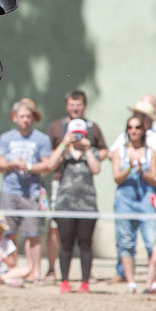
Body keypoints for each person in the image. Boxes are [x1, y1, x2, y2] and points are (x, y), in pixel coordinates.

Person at [44, 90, 108, 280]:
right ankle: (52, 269)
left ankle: (87, 277)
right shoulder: (56, 127)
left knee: (85, 239)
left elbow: (103, 152)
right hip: (61, 187)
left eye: (78, 104)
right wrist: (64, 144)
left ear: (84, 106)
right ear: (67, 106)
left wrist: (91, 151)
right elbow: (49, 161)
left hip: (86, 194)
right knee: (57, 230)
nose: (75, 108)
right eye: (72, 104)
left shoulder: (93, 127)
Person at [0, 98, 52, 284]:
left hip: (32, 192)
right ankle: (12, 271)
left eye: (28, 116)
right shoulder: (6, 138)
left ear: (32, 118)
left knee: (33, 235)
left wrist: (27, 166)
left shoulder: (42, 139)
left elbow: (47, 165)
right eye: (22, 116)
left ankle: (35, 272)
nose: (25, 120)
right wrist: (13, 164)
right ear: (14, 118)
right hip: (9, 191)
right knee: (9, 233)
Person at [47, 118, 102, 293]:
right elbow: (50, 164)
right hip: (65, 206)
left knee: (85, 244)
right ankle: (64, 281)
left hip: (87, 206)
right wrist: (63, 144)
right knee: (66, 244)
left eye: (81, 134)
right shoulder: (63, 152)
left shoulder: (91, 151)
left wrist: (88, 149)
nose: (78, 138)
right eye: (74, 135)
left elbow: (96, 169)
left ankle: (85, 282)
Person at [111, 114, 156, 293]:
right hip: (124, 199)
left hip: (145, 198)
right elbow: (116, 178)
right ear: (127, 130)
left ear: (143, 130)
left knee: (152, 240)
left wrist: (142, 172)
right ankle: (130, 282)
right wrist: (129, 169)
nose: (134, 131)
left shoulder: (150, 152)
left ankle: (152, 281)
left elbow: (154, 178)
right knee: (126, 242)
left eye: (138, 127)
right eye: (130, 127)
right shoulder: (119, 152)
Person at [0, 216, 24, 287]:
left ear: (1, 229)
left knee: (26, 270)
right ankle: (3, 280)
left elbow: (12, 264)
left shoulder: (8, 243)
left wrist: (4, 259)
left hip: (4, 271)